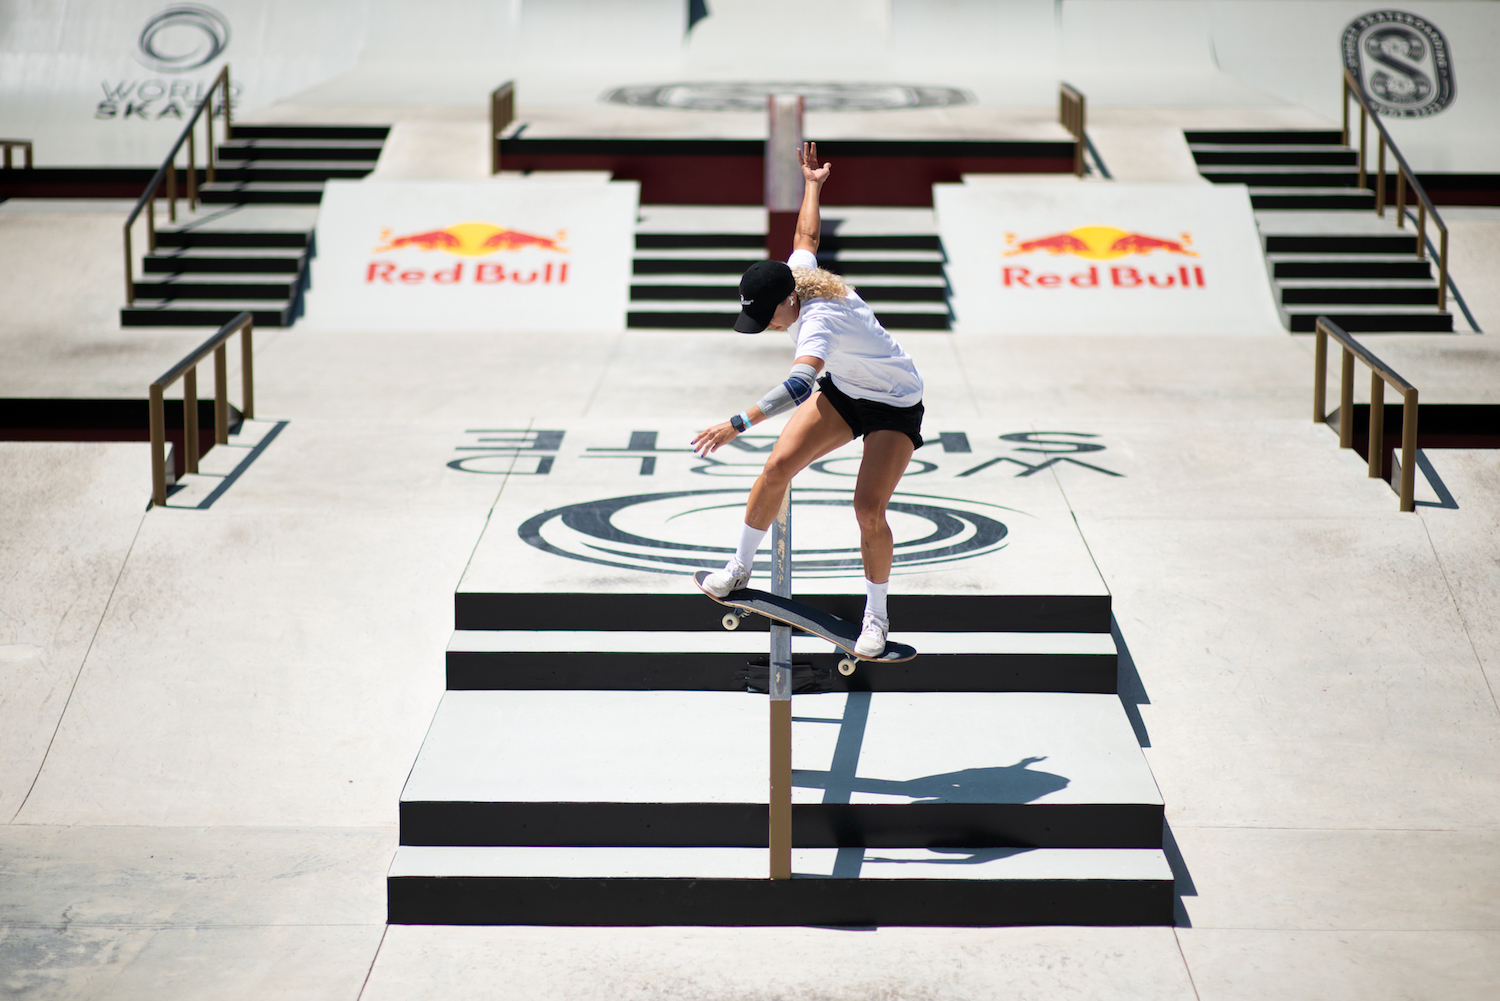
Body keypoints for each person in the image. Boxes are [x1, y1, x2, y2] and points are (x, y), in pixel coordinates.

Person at [691, 141, 924, 658]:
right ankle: (737, 569)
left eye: (769, 317)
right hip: (845, 390)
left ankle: (877, 619)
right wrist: (812, 186)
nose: (769, 326)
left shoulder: (818, 319)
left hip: (894, 402)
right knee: (777, 467)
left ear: (789, 300)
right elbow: (805, 235)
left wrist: (736, 422)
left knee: (868, 508)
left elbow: (798, 387)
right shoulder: (796, 275)